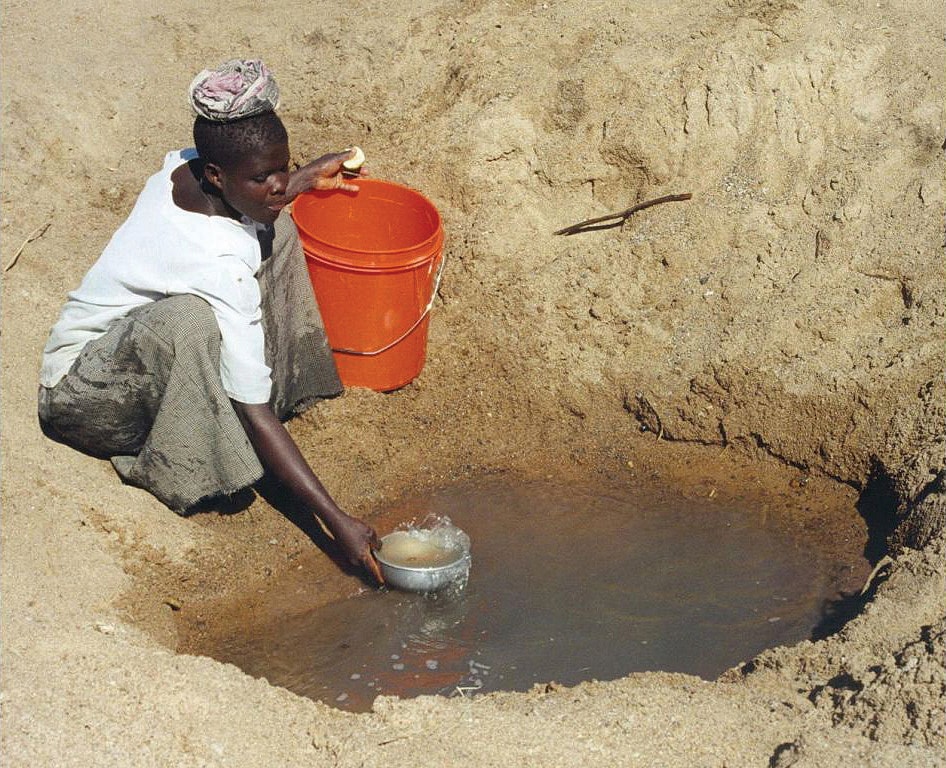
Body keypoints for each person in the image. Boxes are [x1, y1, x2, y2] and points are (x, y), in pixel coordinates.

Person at [38, 59, 383, 584]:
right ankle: (184, 464)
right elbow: (253, 408)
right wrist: (339, 524)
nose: (279, 185)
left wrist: (304, 178)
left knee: (275, 229)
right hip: (83, 398)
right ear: (217, 175)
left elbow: (254, 194)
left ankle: (281, 389)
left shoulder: (183, 168)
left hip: (132, 353)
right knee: (190, 321)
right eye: (262, 177)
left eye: (283, 168)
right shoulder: (216, 264)